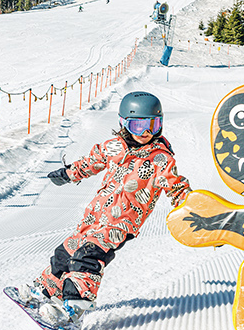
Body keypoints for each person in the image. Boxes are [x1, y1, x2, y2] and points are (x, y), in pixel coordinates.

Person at [10, 92, 190, 327]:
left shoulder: (161, 159)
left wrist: (197, 213)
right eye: (138, 124)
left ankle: (73, 307)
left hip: (121, 223)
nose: (146, 132)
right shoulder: (115, 147)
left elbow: (177, 187)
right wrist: (69, 173)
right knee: (66, 252)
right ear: (124, 123)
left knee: (87, 258)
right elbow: (92, 160)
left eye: (152, 125)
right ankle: (44, 291)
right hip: (94, 218)